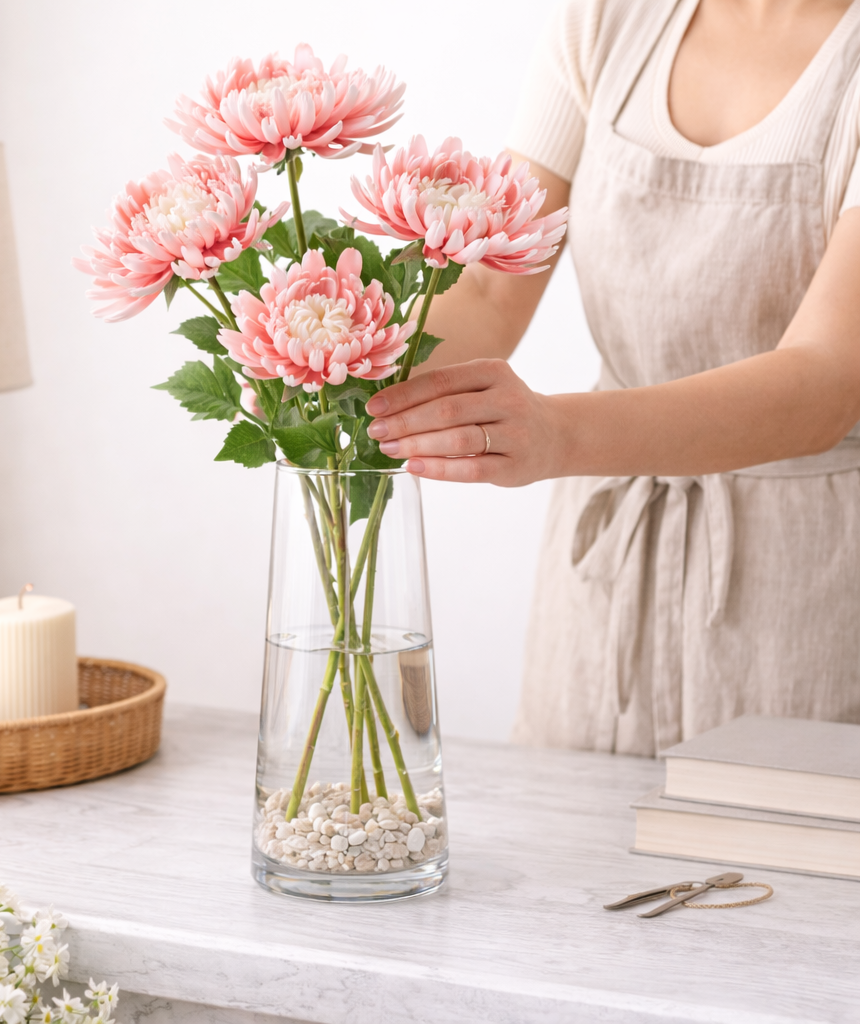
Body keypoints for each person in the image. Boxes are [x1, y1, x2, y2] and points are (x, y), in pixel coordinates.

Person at [364, 0, 860, 755]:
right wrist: (333, 351)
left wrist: (558, 434)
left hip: (801, 584)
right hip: (600, 582)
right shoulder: (608, 16)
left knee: (780, 861)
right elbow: (495, 287)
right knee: (566, 850)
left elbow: (825, 381)